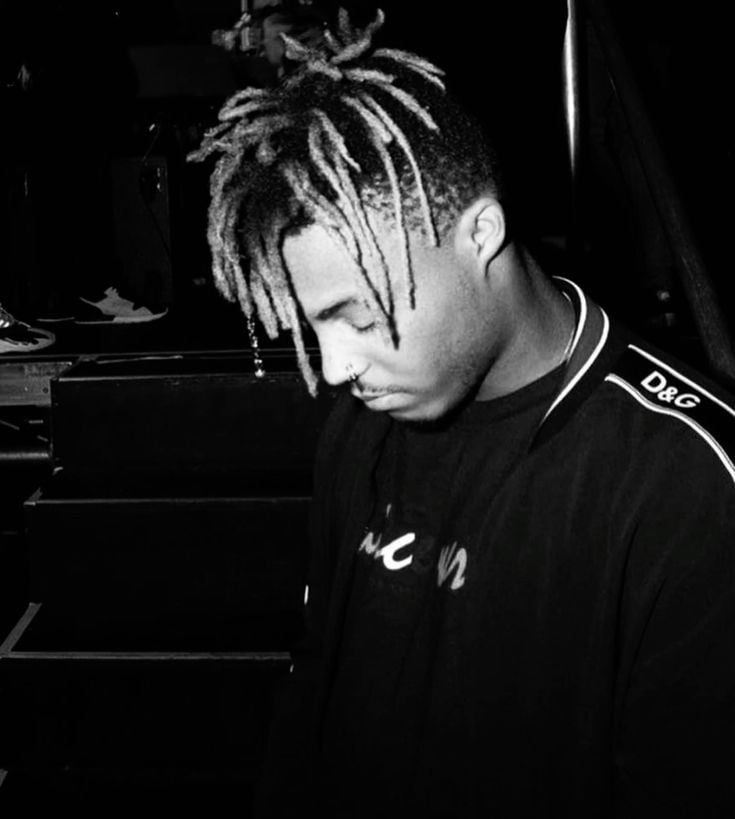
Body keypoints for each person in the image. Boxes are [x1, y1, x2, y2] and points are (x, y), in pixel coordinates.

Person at [190, 10, 735, 817]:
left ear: (479, 232)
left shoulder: (688, 483)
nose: (335, 368)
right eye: (312, 326)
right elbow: (315, 698)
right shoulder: (362, 429)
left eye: (360, 316)